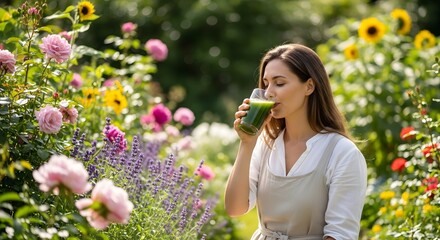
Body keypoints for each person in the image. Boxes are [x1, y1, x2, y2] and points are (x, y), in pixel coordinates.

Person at [224, 43, 367, 240]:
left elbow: (340, 234)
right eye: (266, 84)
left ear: (309, 86)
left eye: (279, 83)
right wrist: (247, 143)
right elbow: (235, 208)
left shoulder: (342, 153)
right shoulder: (265, 144)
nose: (269, 92)